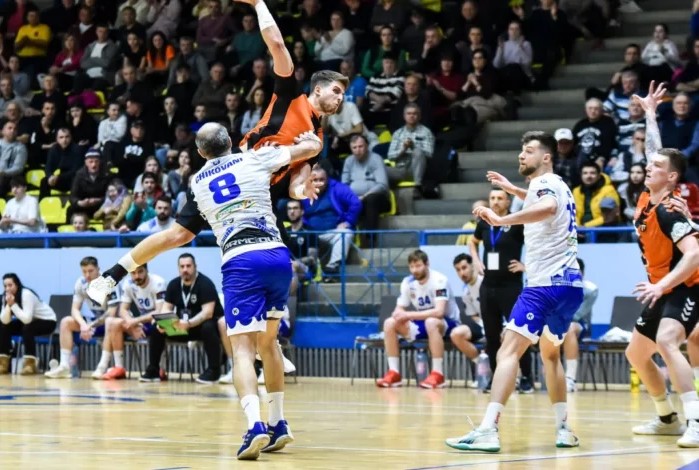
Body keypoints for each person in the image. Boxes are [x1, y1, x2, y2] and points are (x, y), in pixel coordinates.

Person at [87, 0, 347, 308]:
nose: (340, 97)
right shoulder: (292, 96)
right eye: (336, 91)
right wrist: (259, 4)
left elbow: (295, 186)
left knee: (273, 261)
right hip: (239, 169)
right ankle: (111, 277)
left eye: (343, 94)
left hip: (261, 196)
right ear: (317, 89)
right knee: (179, 235)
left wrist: (305, 191)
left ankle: (262, 334)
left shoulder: (317, 139)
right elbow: (276, 44)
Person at [446, 130, 584, 452]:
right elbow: (547, 201)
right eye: (521, 150)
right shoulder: (558, 184)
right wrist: (513, 190)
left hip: (544, 285)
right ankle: (564, 429)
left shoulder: (544, 184)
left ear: (546, 157)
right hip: (569, 286)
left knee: (506, 351)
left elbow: (547, 207)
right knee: (551, 356)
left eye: (529, 150)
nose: (522, 155)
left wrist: (500, 219)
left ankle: (488, 429)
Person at [624, 81, 699, 447]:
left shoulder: (670, 211)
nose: (648, 166)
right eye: (648, 165)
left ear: (671, 178)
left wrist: (660, 285)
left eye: (655, 167)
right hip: (663, 287)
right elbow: (655, 151)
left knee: (668, 341)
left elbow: (695, 254)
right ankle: (667, 418)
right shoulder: (647, 197)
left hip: (687, 285)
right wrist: (651, 114)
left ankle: (695, 420)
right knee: (636, 354)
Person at [467, 188, 532, 393]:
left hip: (511, 287)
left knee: (518, 333)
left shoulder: (517, 222)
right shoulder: (484, 222)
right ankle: (496, 378)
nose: (495, 202)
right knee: (492, 336)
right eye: (492, 198)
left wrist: (526, 266)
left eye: (500, 198)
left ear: (508, 202)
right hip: (488, 286)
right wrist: (476, 261)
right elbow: (472, 242)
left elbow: (536, 245)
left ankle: (526, 378)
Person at [376, 249, 461, 389]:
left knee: (431, 322)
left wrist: (408, 315)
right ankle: (394, 373)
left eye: (418, 266)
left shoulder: (440, 280)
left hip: (448, 323)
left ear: (427, 264)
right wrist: (398, 314)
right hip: (424, 322)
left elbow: (439, 312)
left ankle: (438, 374)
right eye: (412, 267)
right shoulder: (407, 282)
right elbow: (400, 308)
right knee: (389, 323)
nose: (415, 270)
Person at [139, 253, 223, 385]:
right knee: (156, 329)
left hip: (200, 326)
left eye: (188, 266)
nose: (185, 269)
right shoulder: (174, 284)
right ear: (178, 268)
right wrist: (163, 323)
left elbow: (207, 313)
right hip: (181, 326)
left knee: (208, 326)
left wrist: (189, 323)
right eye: (182, 266)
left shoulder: (205, 284)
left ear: (195, 266)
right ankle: (154, 370)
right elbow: (166, 308)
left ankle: (214, 371)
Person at [45, 257, 120, 379]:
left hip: (112, 322)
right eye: (84, 271)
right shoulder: (81, 282)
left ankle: (102, 367)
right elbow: (74, 309)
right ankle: (64, 366)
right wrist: (83, 325)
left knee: (110, 322)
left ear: (98, 269)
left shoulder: (109, 282)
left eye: (90, 271)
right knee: (66, 322)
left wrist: (90, 326)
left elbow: (111, 312)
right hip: (94, 322)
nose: (87, 275)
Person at [93, 264, 166, 380]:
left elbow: (159, 312)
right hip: (141, 323)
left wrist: (134, 321)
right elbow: (123, 310)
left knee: (157, 324)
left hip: (157, 323)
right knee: (111, 322)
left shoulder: (158, 283)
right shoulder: (128, 283)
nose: (137, 276)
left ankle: (159, 368)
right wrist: (131, 324)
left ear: (147, 270)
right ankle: (118, 368)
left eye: (140, 272)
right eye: (133, 273)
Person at [0, 273, 57, 375]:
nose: (7, 288)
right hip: (29, 322)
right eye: (5, 286)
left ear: (17, 284)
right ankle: (3, 363)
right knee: (3, 326)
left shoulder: (26, 294)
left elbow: (27, 319)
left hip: (48, 321)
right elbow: (5, 320)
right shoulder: (6, 296)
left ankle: (30, 364)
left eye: (10, 285)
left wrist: (13, 305)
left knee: (28, 327)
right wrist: (9, 305)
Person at [562, 258, 599, 392]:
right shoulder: (554, 286)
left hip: (578, 324)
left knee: (568, 329)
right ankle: (520, 379)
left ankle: (570, 379)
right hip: (553, 323)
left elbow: (576, 315)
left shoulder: (590, 290)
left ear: (582, 274)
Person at [449, 254, 485, 361]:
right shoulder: (465, 292)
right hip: (482, 326)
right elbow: (474, 315)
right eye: (458, 270)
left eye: (464, 268)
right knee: (456, 334)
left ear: (472, 266)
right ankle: (481, 364)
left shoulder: (486, 282)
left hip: (500, 324)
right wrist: (483, 325)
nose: (462, 273)